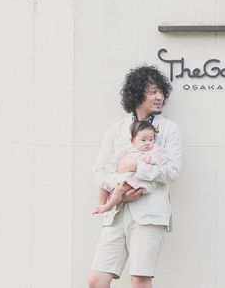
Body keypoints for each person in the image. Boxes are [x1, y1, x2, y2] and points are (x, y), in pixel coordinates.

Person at [88, 66, 182, 288]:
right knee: (96, 280)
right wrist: (119, 191)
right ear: (137, 93)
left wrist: (137, 167)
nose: (159, 97)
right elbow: (99, 171)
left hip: (150, 214)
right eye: (153, 92)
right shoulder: (116, 129)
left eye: (161, 92)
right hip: (117, 213)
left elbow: (173, 171)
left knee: (139, 280)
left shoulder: (169, 129)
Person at [92, 121, 167, 215]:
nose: (148, 143)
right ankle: (102, 205)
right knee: (103, 185)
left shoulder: (154, 151)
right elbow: (117, 159)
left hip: (135, 179)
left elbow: (162, 160)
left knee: (119, 190)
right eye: (143, 140)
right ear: (133, 141)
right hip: (121, 175)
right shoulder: (128, 149)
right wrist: (113, 169)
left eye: (151, 139)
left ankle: (109, 206)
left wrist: (151, 159)